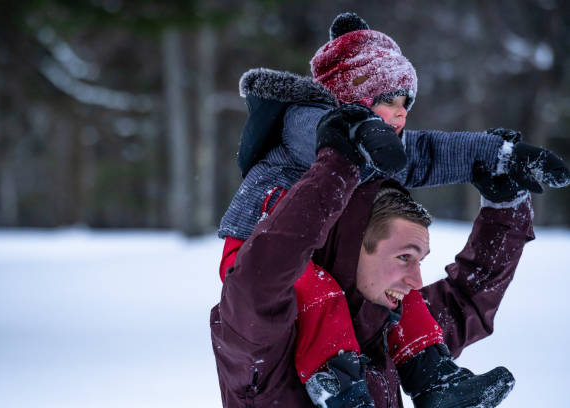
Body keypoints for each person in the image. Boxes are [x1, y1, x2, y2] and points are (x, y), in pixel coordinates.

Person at [212, 12, 570, 408]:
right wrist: (343, 144)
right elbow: (265, 275)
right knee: (318, 291)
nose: (401, 113)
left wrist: (500, 165)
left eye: (405, 103)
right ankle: (338, 383)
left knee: (402, 300)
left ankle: (434, 375)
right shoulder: (264, 334)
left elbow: (429, 155)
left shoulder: (380, 316)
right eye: (389, 102)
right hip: (254, 250)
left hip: (318, 260)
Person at [210, 105, 537, 406]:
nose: (417, 280)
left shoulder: (389, 329)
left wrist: (505, 209)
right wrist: (338, 162)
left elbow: (466, 300)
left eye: (420, 260)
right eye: (404, 257)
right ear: (352, 249)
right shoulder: (261, 337)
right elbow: (262, 276)